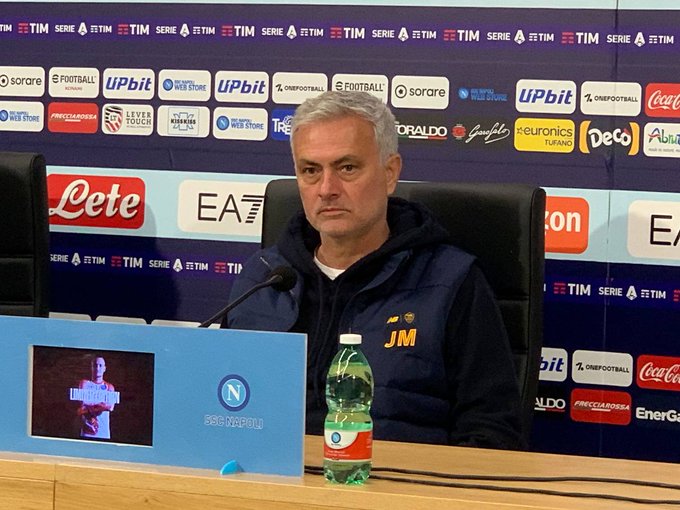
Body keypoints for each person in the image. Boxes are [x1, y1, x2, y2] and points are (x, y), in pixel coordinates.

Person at [224, 90, 523, 449]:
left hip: (402, 479)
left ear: (390, 173)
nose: (327, 189)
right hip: (274, 478)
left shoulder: (450, 281)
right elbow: (220, 407)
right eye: (310, 171)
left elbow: (492, 433)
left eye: (347, 168)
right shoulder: (263, 278)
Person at [77, 356, 116, 440]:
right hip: (87, 432)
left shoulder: (109, 387)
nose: (97, 368)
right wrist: (101, 405)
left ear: (104, 368)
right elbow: (82, 404)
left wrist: (89, 405)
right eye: (95, 365)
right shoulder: (84, 383)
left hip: (103, 433)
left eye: (100, 365)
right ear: (91, 367)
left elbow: (110, 407)